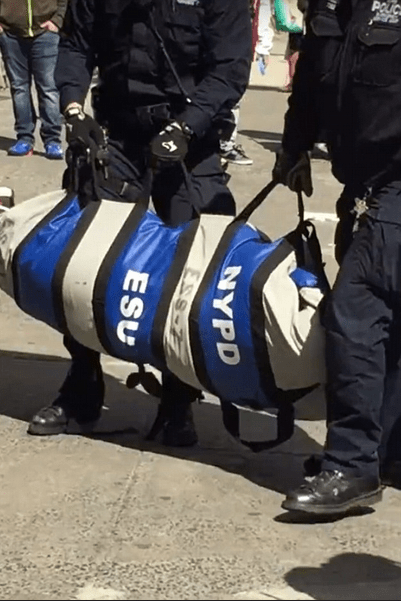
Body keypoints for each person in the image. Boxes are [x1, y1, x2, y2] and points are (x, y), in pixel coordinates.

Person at [27, 0, 253, 447]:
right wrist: (73, 109)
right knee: (85, 263)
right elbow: (76, 45)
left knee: (191, 272)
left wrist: (187, 127)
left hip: (189, 138)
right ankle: (82, 387)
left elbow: (229, 70)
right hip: (117, 135)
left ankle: (178, 400)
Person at [273, 0, 401, 516]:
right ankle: (386, 452)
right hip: (362, 187)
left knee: (354, 315)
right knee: (389, 326)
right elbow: (311, 81)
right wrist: (294, 146)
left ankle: (352, 463)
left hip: (396, 188)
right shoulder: (333, 8)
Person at [0, 0, 66, 159]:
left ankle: (52, 140)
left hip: (45, 33)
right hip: (10, 34)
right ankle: (24, 138)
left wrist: (57, 20)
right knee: (19, 88)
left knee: (48, 88)